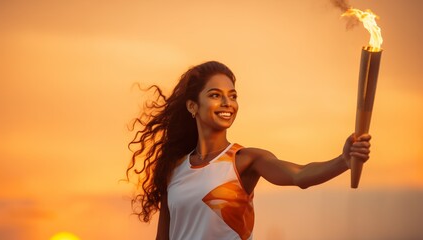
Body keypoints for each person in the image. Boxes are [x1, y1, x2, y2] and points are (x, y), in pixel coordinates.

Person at [127, 61, 371, 240]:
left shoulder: (245, 160)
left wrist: (343, 160)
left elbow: (300, 175)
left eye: (232, 96)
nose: (227, 103)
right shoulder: (174, 169)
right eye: (215, 95)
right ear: (193, 106)